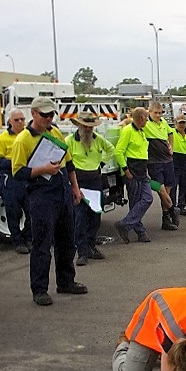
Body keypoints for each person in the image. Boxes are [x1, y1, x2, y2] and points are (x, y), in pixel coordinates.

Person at [10, 96, 87, 306]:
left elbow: (68, 162)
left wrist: (75, 188)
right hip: (41, 193)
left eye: (51, 114)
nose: (49, 118)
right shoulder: (23, 139)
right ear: (33, 114)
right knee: (42, 243)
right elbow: (17, 172)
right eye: (45, 115)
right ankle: (39, 288)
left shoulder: (55, 132)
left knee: (66, 240)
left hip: (61, 188)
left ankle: (66, 281)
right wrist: (43, 170)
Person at [66, 111, 115, 266]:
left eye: (91, 127)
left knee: (95, 217)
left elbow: (111, 149)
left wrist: (101, 164)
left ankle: (91, 246)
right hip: (78, 182)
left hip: (95, 181)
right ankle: (81, 252)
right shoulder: (70, 141)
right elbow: (64, 160)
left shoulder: (98, 140)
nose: (88, 130)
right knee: (80, 218)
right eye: (86, 126)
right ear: (79, 125)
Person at [0, 108, 31, 254]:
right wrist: (15, 163)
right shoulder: (3, 138)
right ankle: (18, 241)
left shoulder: (28, 135)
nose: (20, 122)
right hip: (10, 178)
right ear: (10, 121)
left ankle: (27, 238)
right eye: (17, 120)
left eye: (22, 119)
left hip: (27, 176)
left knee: (32, 211)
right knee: (13, 212)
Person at [114, 107, 153, 244]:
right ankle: (140, 232)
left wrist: (146, 170)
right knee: (135, 202)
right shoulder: (128, 131)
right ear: (141, 118)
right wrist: (126, 170)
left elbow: (143, 152)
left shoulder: (141, 132)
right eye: (146, 118)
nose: (147, 120)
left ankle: (125, 224)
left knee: (147, 199)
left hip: (142, 171)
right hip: (132, 170)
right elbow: (119, 151)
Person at [145, 102, 178, 231]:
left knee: (168, 188)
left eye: (160, 113)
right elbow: (129, 121)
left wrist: (171, 146)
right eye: (156, 113)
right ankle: (172, 209)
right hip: (154, 161)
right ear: (149, 112)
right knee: (160, 188)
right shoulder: (145, 123)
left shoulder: (163, 122)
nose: (158, 115)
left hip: (167, 160)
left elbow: (171, 133)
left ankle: (166, 218)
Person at [170, 114, 186, 216]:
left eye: (183, 123)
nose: (181, 125)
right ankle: (172, 206)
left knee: (184, 185)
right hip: (174, 160)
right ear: (175, 123)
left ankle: (181, 206)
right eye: (179, 123)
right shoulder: (171, 133)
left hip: (185, 160)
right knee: (173, 185)